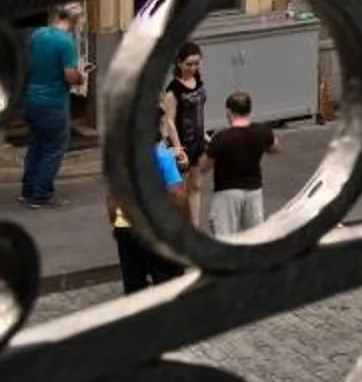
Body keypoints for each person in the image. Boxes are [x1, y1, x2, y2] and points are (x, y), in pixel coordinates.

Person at [19, 4, 87, 208]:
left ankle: (27, 190)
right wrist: (81, 75)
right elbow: (70, 75)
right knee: (54, 149)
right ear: (74, 20)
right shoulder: (65, 42)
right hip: (53, 103)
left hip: (31, 99)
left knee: (36, 145)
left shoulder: (38, 35)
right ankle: (41, 195)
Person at [113, 142, 186, 293]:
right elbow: (176, 194)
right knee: (166, 277)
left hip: (126, 225)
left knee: (133, 280)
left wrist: (114, 223)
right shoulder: (162, 155)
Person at [203, 89, 276, 236]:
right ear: (249, 109)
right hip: (254, 191)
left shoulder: (221, 137)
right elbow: (274, 148)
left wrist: (209, 149)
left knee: (225, 236)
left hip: (227, 193)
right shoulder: (263, 131)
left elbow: (205, 166)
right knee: (255, 236)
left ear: (229, 112)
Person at [159, 44, 210, 224]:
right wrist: (177, 147)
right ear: (179, 63)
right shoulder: (174, 90)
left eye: (196, 64)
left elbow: (199, 111)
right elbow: (169, 120)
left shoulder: (199, 81)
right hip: (182, 143)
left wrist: (204, 135)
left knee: (196, 185)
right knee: (179, 189)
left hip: (197, 141)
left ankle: (194, 225)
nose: (193, 68)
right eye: (189, 64)